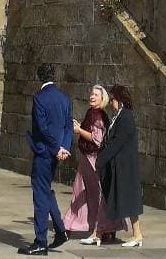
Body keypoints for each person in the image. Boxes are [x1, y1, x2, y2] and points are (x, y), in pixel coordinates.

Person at [19, 63, 73, 256]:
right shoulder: (64, 98)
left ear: (39, 77)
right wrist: (64, 147)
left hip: (44, 152)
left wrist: (57, 148)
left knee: (40, 195)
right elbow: (68, 125)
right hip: (57, 152)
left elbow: (42, 129)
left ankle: (40, 241)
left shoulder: (40, 98)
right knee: (45, 190)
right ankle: (60, 231)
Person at [64, 85, 123, 242]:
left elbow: (97, 139)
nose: (92, 96)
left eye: (96, 94)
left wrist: (79, 131)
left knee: (92, 193)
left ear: (102, 99)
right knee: (85, 192)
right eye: (92, 93)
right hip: (87, 158)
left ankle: (73, 225)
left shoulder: (98, 116)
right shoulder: (93, 113)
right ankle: (104, 228)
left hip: (93, 160)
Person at [94, 84, 143, 248]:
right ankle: (133, 234)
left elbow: (117, 143)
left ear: (119, 99)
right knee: (126, 200)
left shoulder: (126, 117)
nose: (111, 103)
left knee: (130, 200)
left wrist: (100, 160)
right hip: (119, 165)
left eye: (112, 99)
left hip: (125, 166)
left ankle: (137, 235)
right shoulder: (120, 116)